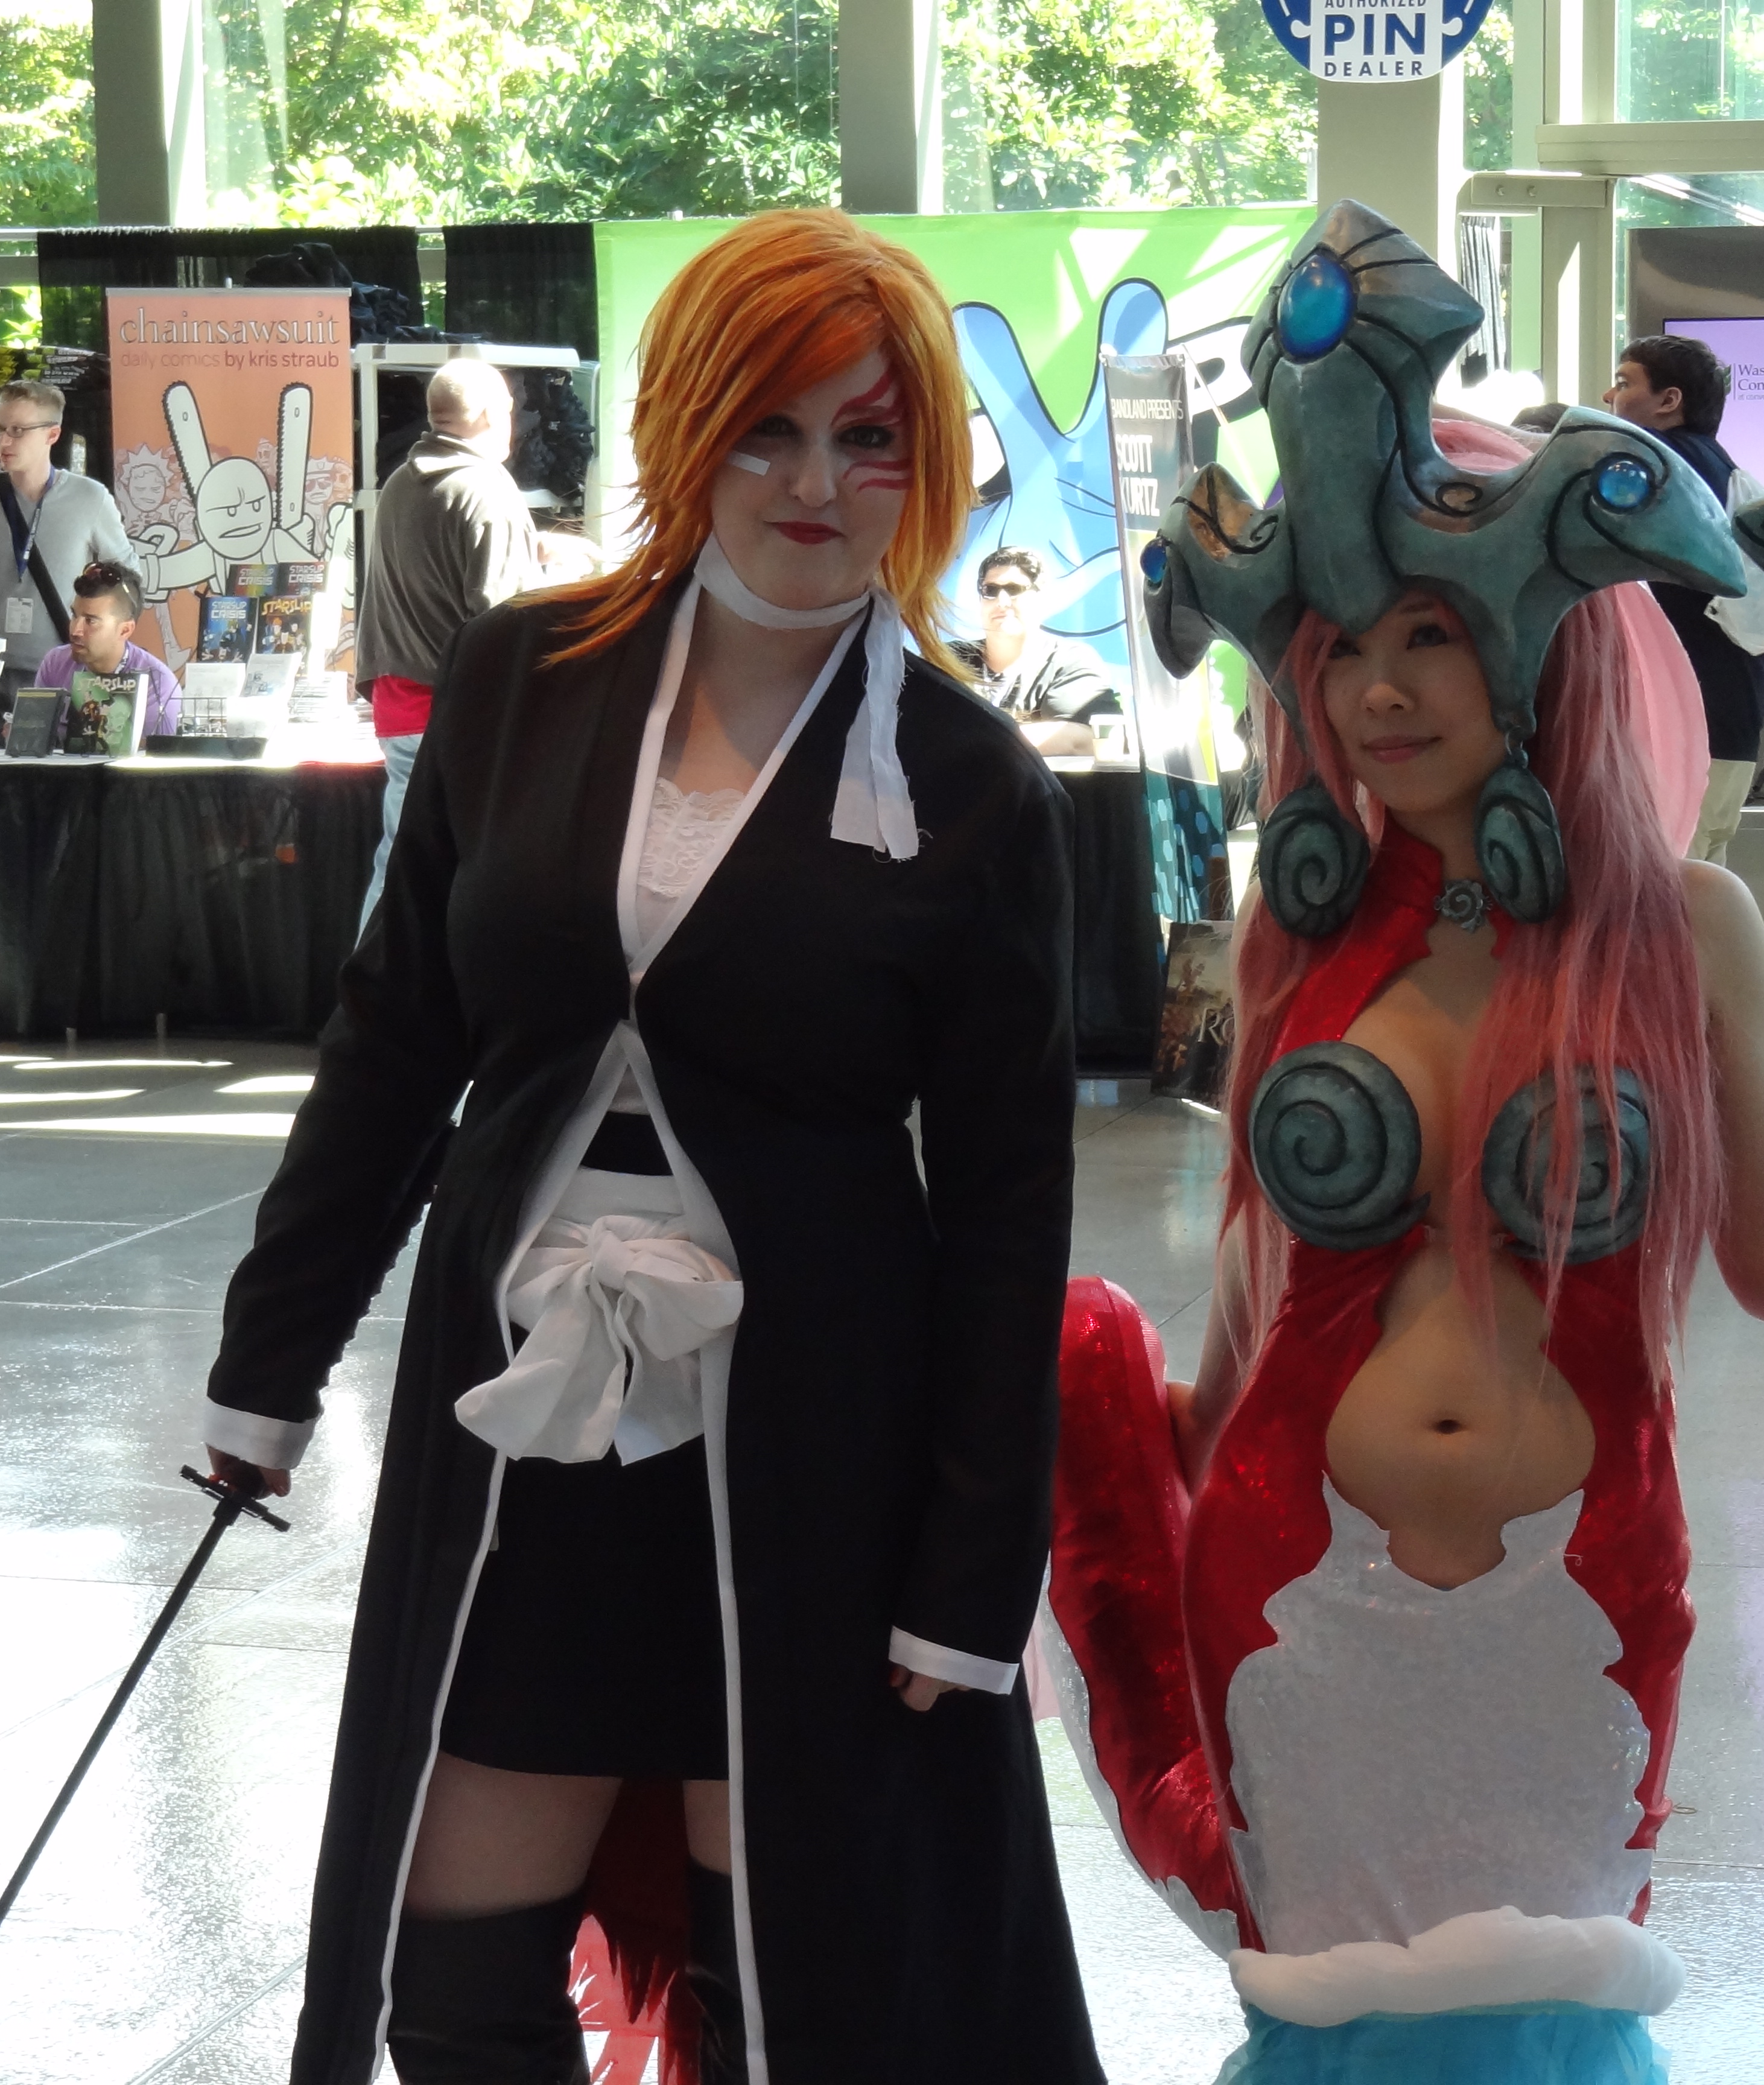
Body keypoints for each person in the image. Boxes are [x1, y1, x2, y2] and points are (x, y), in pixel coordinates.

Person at [1048, 206, 1764, 2085]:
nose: (1381, 695)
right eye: (1348, 650)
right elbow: (1246, 1310)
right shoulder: (1296, 932)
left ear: (1539, 643)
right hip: (1293, 1596)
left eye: (1432, 638)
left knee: (1548, 2035)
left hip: (1579, 1603)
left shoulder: (1688, 926)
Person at [194, 210, 1099, 2085]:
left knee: (798, 1997)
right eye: (767, 429)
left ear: (927, 463)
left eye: (869, 438)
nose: (816, 484)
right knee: (449, 1990)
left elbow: (1011, 1206)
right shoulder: (527, 677)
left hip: (817, 1447)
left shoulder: (974, 784)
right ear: (687, 432)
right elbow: (396, 1042)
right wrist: (267, 1362)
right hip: (518, 1422)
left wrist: (972, 1569)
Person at [359, 358, 542, 929]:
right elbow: (508, 623)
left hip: (400, 705)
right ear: (487, 414)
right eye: (508, 409)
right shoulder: (487, 490)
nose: (514, 421)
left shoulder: (400, 483)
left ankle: (372, 980)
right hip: (458, 715)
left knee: (403, 866)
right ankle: (382, 984)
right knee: (466, 876)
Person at [1604, 335, 1764, 865]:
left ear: (1669, 400)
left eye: (1624, 383)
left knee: (1669, 893)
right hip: (1730, 724)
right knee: (1701, 888)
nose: (1609, 396)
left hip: (1687, 729)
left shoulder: (1666, 464)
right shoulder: (1720, 471)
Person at [0, 378, 138, 685]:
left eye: (18, 431)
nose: (4, 442)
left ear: (52, 435)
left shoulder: (89, 498)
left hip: (60, 667)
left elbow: (128, 584)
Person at [946, 545, 1120, 756]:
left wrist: (975, 741)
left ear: (1041, 598)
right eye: (990, 591)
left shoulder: (1069, 660)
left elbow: (1082, 738)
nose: (1002, 602)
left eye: (1014, 589)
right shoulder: (949, 660)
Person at [28, 559, 182, 742]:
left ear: (125, 630)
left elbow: (159, 758)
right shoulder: (55, 663)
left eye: (91, 621)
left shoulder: (157, 685)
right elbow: (36, 742)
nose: (75, 630)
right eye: (75, 615)